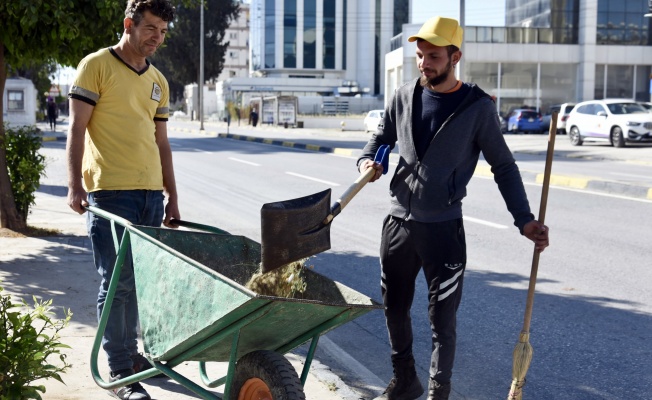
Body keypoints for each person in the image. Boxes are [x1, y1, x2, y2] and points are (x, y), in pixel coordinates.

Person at [357, 16, 549, 400]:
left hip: (443, 229)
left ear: (455, 56)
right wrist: (366, 163)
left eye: (433, 56)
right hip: (397, 224)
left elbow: (504, 166)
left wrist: (524, 220)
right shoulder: (403, 95)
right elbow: (380, 139)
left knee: (441, 320)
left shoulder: (477, 108)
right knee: (393, 307)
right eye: (420, 56)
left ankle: (437, 393)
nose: (424, 63)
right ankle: (405, 380)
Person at [66, 1, 179, 399]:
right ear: (128, 23)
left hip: (150, 195)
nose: (157, 38)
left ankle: (132, 358)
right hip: (110, 192)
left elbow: (162, 144)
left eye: (163, 32)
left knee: (138, 284)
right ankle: (118, 370)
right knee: (116, 284)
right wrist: (74, 185)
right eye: (151, 29)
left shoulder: (159, 81)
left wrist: (172, 198)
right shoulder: (96, 65)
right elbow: (77, 128)